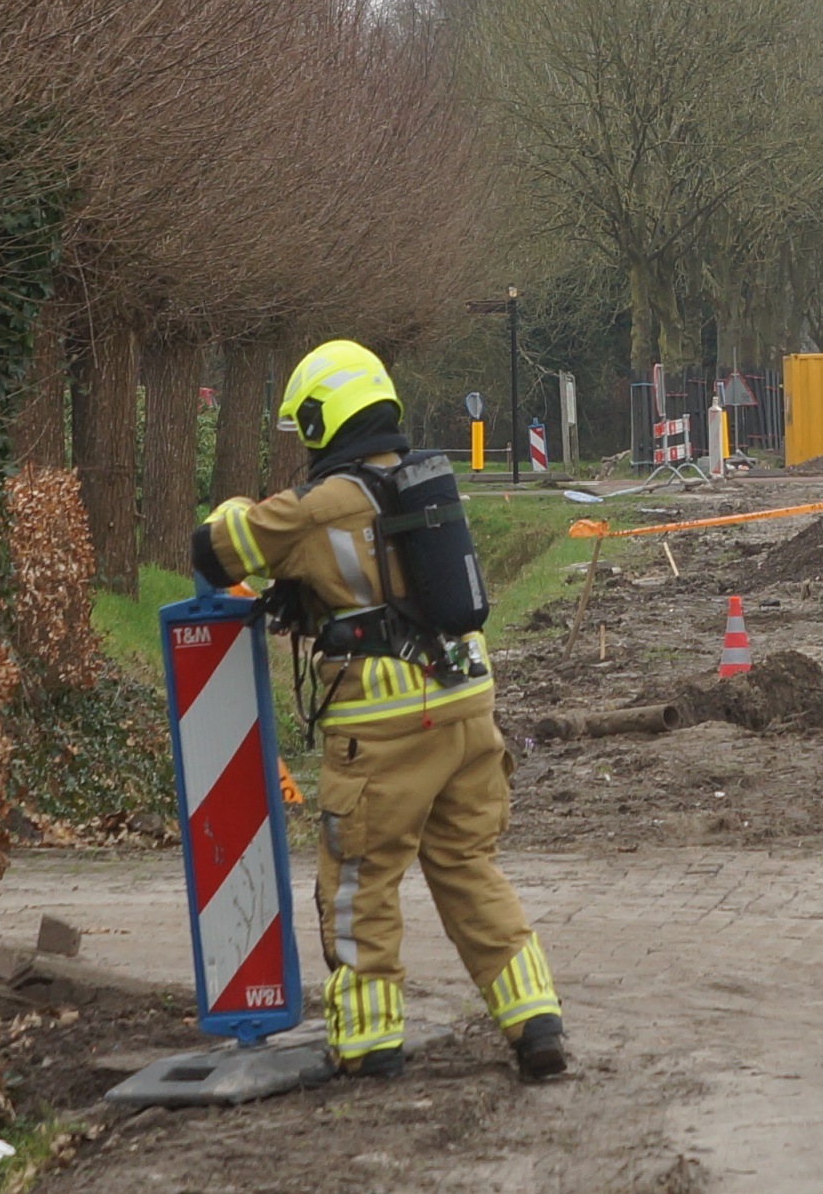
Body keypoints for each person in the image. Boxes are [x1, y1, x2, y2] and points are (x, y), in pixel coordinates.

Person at [191, 341, 565, 1082]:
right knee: (468, 868)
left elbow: (214, 551)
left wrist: (235, 507)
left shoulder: (318, 506)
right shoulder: (422, 483)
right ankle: (537, 1021)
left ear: (324, 419)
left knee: (359, 883)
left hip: (387, 727)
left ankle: (367, 1044)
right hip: (470, 708)